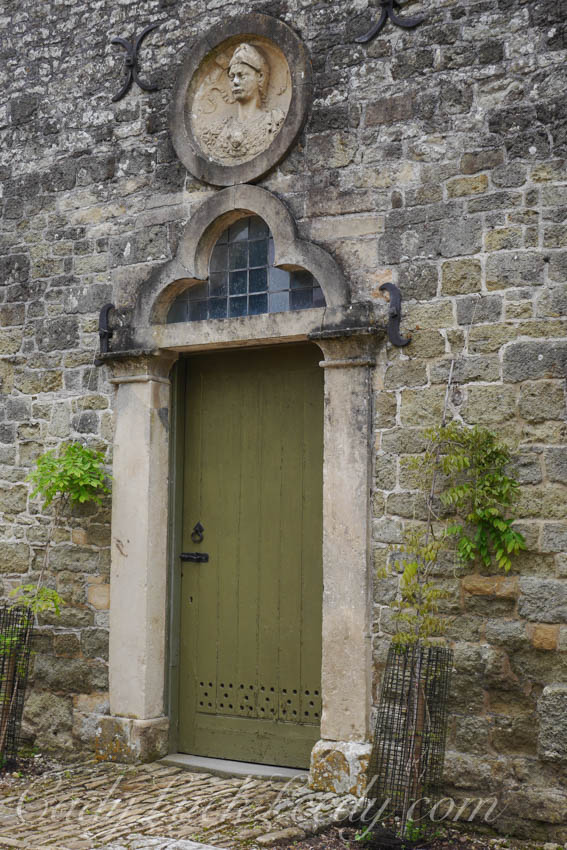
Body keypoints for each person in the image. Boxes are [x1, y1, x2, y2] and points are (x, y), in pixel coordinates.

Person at [200, 43, 285, 163]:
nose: (235, 81)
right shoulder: (217, 131)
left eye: (241, 75)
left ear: (260, 77)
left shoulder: (274, 122)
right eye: (232, 76)